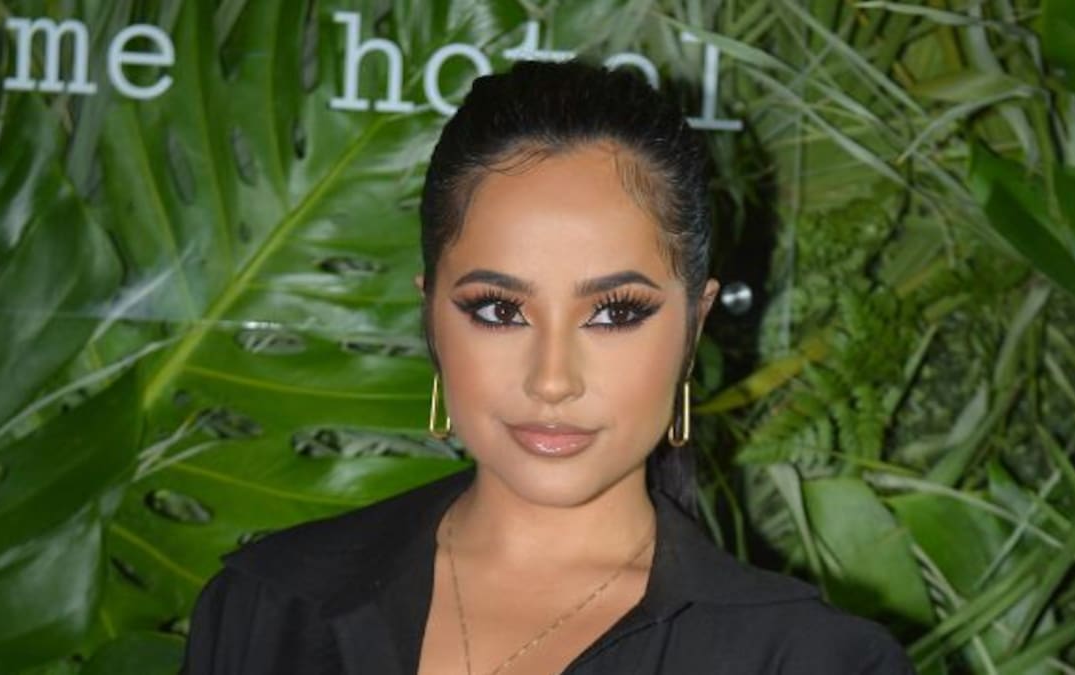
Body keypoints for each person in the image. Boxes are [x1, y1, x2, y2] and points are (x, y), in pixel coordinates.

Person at [182, 60, 915, 675]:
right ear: (431, 314)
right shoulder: (268, 606)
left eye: (615, 313)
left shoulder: (810, 661)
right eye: (499, 310)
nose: (553, 379)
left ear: (693, 327)